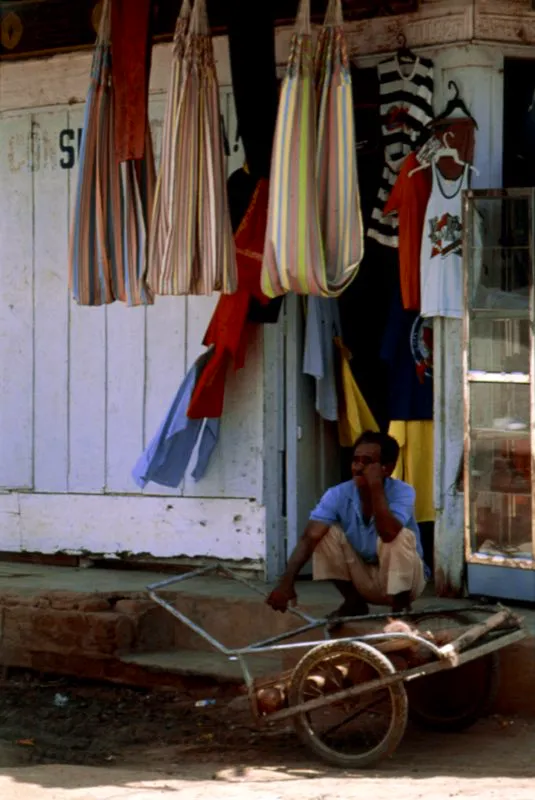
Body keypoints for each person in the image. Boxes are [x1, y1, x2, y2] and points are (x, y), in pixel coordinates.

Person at [266, 430, 427, 618]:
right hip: (364, 579)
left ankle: (401, 610)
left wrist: (375, 487)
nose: (358, 467)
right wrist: (286, 583)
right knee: (324, 533)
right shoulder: (337, 494)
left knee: (400, 536)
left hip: (407, 583)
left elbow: (389, 533)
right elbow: (309, 537)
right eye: (355, 460)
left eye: (367, 462)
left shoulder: (403, 491)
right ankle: (354, 602)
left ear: (387, 468)